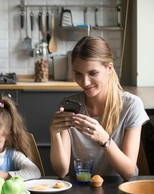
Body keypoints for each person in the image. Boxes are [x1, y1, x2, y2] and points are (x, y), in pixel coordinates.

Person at [50, 35, 149, 181]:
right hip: (80, 190)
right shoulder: (68, 105)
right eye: (78, 74)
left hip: (117, 191)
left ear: (109, 68)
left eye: (93, 73)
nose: (85, 82)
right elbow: (61, 171)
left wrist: (104, 139)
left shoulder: (131, 106)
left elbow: (129, 172)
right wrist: (54, 133)